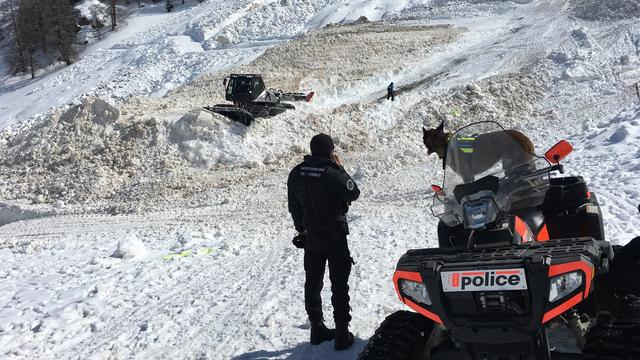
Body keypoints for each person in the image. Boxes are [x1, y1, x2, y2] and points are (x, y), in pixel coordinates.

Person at [287, 133, 361, 351]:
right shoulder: (331, 173)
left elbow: (294, 207)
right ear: (330, 151)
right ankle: (341, 334)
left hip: (312, 237)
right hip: (335, 236)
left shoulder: (296, 173)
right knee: (339, 284)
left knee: (313, 283)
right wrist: (340, 169)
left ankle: (317, 329)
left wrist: (302, 229)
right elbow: (354, 192)